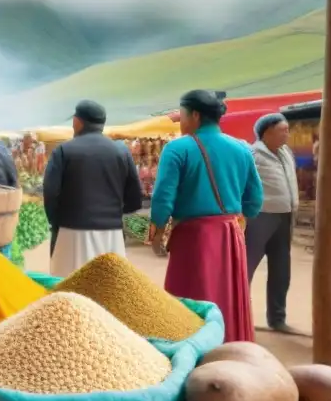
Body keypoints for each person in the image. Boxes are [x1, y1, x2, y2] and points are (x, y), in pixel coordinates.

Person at [149, 90, 263, 342]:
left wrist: (155, 235)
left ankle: (195, 352)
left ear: (195, 115)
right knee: (228, 295)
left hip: (194, 236)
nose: (180, 122)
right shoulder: (241, 149)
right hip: (231, 234)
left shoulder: (178, 148)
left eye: (183, 115)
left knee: (192, 298)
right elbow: (255, 201)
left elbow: (162, 199)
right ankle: (231, 344)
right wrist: (236, 223)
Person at [43, 100, 142, 277]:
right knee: (109, 291)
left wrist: (59, 221)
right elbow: (134, 198)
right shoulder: (121, 151)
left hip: (72, 234)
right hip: (112, 236)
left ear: (77, 121)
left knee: (71, 294)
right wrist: (113, 213)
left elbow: (50, 193)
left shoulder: (63, 151)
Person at [245, 113, 299, 333]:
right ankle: (237, 318)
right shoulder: (253, 154)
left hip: (284, 217)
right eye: (282, 130)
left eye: (287, 129)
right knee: (246, 268)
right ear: (266, 132)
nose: (287, 133)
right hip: (260, 216)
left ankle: (277, 319)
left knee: (281, 270)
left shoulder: (286, 153)